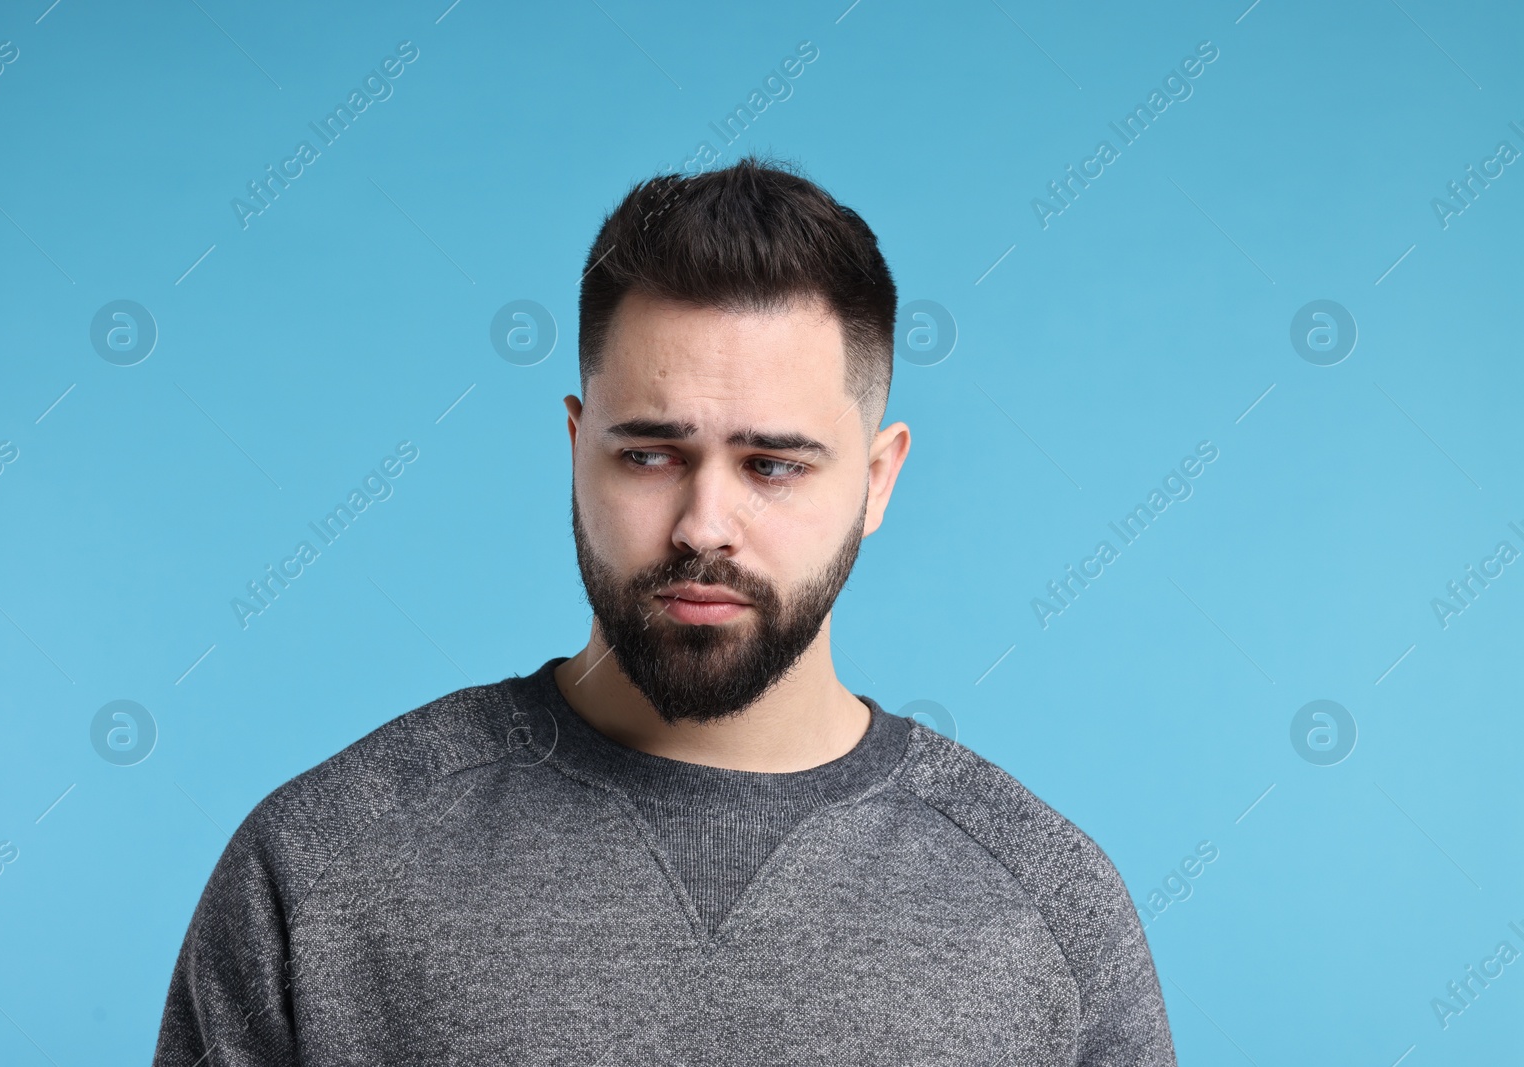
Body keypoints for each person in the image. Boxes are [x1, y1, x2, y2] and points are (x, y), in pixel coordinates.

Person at [152, 155, 1177, 1066]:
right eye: (650, 453)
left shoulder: (1044, 907)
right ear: (574, 444)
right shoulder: (324, 865)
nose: (702, 524)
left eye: (772, 464)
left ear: (876, 479)